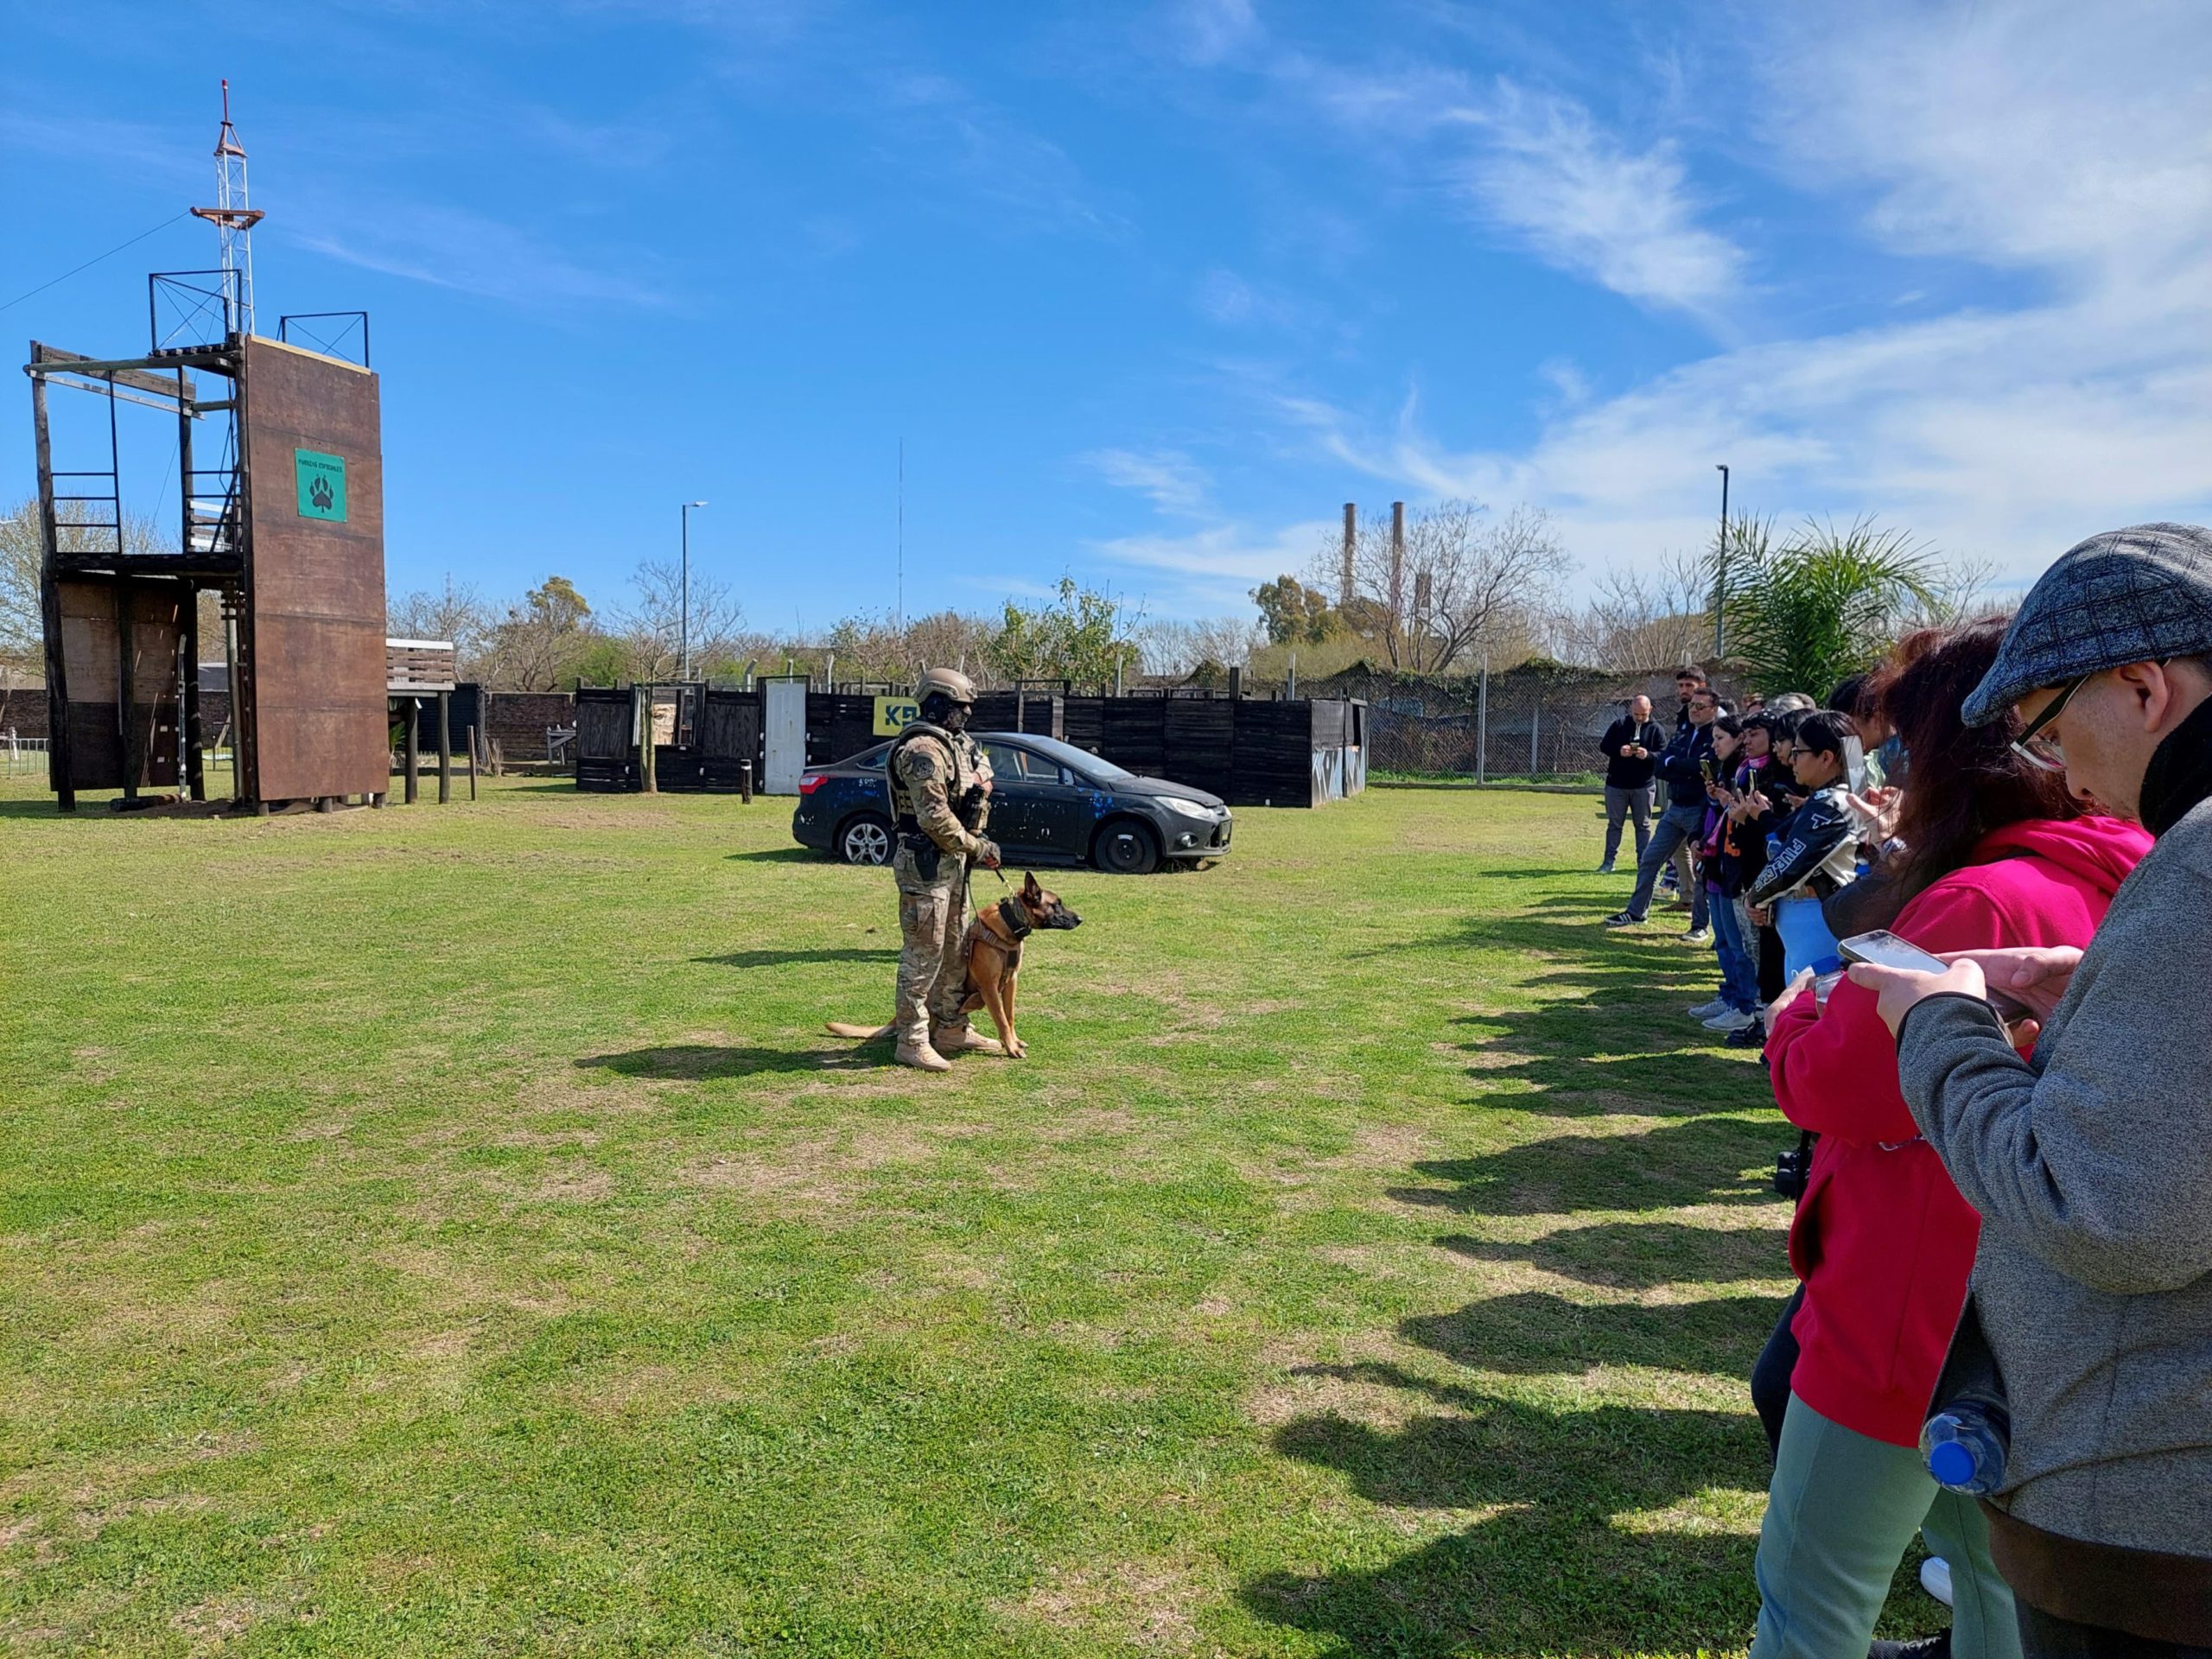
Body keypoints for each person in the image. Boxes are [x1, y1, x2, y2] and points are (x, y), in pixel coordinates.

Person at [1745, 618, 2152, 1659]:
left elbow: (1842, 1082)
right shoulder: (2138, 870)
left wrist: (1797, 1010)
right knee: (1994, 1592)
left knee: (1810, 1600)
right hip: (2039, 1324)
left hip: (1907, 1311)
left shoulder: (1982, 893)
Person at [1847, 524, 2212, 1659]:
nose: (2061, 774)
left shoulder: (2199, 859)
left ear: (2144, 686)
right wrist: (2092, 990)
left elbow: (2105, 1210)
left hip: (2145, 1536)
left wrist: (1942, 1026)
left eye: (2051, 731)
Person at [885, 667, 1002, 1072]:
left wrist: (981, 781)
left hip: (951, 864)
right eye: (959, 707)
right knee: (923, 954)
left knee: (956, 948)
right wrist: (977, 846)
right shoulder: (922, 751)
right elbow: (933, 817)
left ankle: (950, 1027)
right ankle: (912, 1040)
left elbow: (982, 768)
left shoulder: (955, 743)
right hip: (925, 864)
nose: (966, 715)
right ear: (937, 704)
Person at [1745, 713, 1859, 979]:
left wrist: (1755, 897)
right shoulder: (1836, 798)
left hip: (1820, 923)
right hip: (1814, 925)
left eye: (1799, 752)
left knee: (1810, 1008)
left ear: (1827, 757)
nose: (1792, 760)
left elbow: (1788, 864)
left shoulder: (1834, 804)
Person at [1605, 685, 1721, 937]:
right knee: (1649, 859)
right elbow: (1661, 766)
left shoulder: (1716, 735)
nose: (1694, 711)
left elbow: (1703, 766)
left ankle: (1700, 926)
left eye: (1700, 707)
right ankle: (1636, 912)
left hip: (1699, 810)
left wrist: (1676, 765)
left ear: (1713, 709)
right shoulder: (1683, 731)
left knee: (1702, 867)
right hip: (1675, 808)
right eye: (1692, 705)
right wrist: (1678, 765)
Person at [1691, 715, 1763, 1032]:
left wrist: (1727, 801)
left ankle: (1745, 1005)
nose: (1715, 744)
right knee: (1722, 939)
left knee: (1738, 944)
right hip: (1716, 864)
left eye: (1721, 737)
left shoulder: (1749, 772)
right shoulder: (1726, 770)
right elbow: (1714, 815)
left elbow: (1746, 820)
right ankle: (1731, 994)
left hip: (1733, 866)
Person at [1598, 693, 1666, 873]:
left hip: (1643, 785)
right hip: (1616, 785)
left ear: (1650, 710)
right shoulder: (1619, 725)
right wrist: (1619, 750)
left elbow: (1664, 753)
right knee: (1614, 825)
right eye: (1636, 714)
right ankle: (1608, 862)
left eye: (1643, 714)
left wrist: (1649, 755)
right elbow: (1604, 746)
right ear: (1631, 710)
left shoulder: (1656, 729)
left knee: (1643, 825)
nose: (1640, 718)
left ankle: (1642, 863)